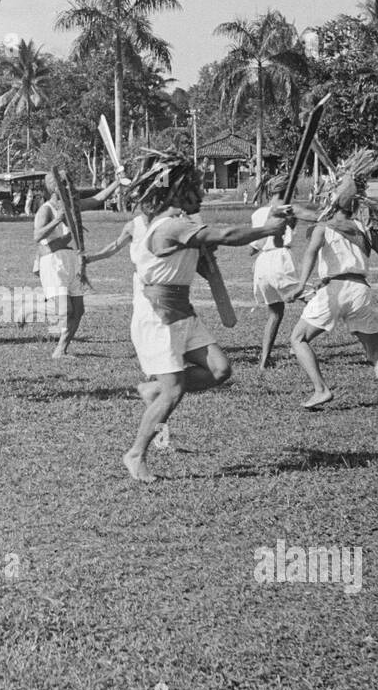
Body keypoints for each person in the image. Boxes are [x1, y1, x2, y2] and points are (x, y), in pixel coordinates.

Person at [85, 149, 290, 483]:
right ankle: (136, 453)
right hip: (157, 314)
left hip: (182, 311)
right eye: (196, 187)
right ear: (177, 192)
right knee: (175, 388)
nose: (203, 193)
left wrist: (274, 226)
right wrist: (266, 229)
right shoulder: (168, 227)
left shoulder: (183, 225)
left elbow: (209, 253)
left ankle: (154, 391)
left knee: (220, 370)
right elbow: (223, 235)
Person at [286, 151, 378, 412]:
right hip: (361, 292)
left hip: (335, 290)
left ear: (331, 200)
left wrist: (299, 284)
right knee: (376, 352)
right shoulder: (366, 229)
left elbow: (309, 254)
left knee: (298, 338)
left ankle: (321, 390)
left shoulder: (324, 227)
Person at [32, 171, 121, 358]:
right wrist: (58, 219)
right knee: (66, 310)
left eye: (69, 182)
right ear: (53, 186)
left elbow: (98, 198)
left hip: (73, 261)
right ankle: (39, 310)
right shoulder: (46, 209)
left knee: (78, 311)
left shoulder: (74, 206)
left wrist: (118, 181)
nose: (69, 186)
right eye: (64, 183)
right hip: (53, 263)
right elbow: (37, 236)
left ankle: (61, 350)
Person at [249, 176, 301, 370]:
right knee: (315, 302)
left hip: (262, 263)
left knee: (275, 312)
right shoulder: (289, 212)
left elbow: (254, 245)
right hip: (280, 260)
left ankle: (264, 360)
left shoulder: (258, 213)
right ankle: (299, 341)